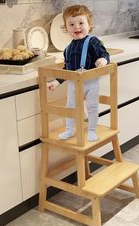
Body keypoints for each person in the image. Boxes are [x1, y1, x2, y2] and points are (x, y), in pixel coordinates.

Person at [47, 5, 110, 142]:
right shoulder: (68, 49)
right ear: (66, 28)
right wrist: (56, 81)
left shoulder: (93, 42)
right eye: (71, 24)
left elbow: (104, 54)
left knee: (92, 107)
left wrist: (103, 60)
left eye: (81, 23)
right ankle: (70, 130)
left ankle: (92, 130)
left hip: (90, 82)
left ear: (89, 25)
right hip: (73, 83)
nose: (77, 27)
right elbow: (67, 69)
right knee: (71, 107)